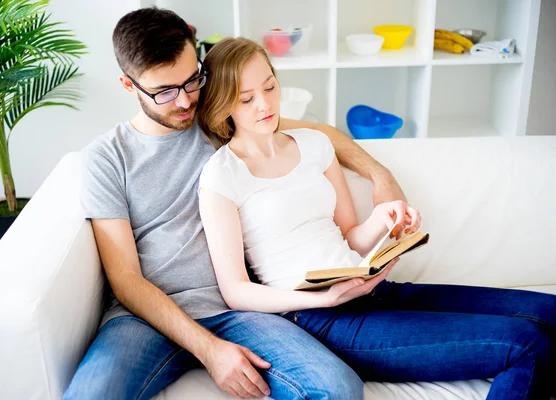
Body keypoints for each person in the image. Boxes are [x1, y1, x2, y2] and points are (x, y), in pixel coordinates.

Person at [64, 6, 411, 400]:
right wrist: (208, 350)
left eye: (192, 80)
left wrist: (381, 176)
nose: (183, 102)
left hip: (240, 313)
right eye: (164, 91)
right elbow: (125, 278)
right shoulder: (106, 158)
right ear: (129, 86)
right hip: (145, 320)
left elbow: (319, 134)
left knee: (337, 388)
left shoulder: (219, 120)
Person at [197, 37, 556, 400]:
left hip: (372, 289)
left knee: (549, 312)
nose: (265, 104)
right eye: (246, 98)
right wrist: (323, 300)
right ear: (224, 103)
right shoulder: (221, 175)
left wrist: (383, 220)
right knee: (527, 344)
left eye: (270, 87)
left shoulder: (314, 144)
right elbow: (236, 291)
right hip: (319, 319)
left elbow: (349, 236)